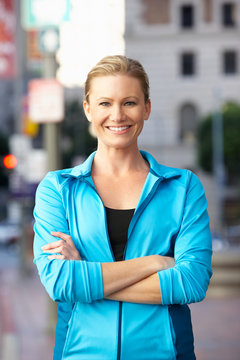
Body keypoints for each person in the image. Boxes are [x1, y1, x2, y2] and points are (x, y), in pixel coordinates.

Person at [33, 55, 212, 360]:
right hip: (80, 353)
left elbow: (191, 283)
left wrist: (86, 277)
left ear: (147, 109)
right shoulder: (58, 189)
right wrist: (154, 263)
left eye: (129, 102)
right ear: (88, 109)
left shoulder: (183, 187)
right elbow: (60, 282)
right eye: (105, 103)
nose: (117, 115)